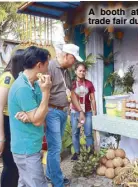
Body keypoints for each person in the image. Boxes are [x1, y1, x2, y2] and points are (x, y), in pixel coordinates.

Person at [8, 46, 51, 187]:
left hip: (31, 146)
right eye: (47, 64)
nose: (47, 69)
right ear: (39, 65)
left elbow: (43, 113)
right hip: (26, 149)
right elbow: (38, 120)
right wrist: (46, 93)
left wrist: (31, 116)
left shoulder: (34, 85)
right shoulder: (23, 88)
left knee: (25, 183)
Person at [45, 44, 85, 187]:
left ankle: (50, 175)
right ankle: (57, 181)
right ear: (66, 55)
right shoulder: (50, 67)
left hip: (62, 112)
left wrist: (80, 110)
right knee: (55, 148)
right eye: (73, 58)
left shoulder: (66, 71)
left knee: (55, 146)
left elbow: (71, 93)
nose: (74, 62)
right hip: (52, 112)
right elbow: (42, 91)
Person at [0, 49, 25, 187]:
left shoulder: (14, 76)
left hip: (9, 122)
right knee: (10, 165)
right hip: (4, 122)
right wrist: (1, 139)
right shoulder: (9, 78)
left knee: (14, 164)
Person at [70, 63, 97, 161]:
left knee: (88, 133)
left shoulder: (89, 84)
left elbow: (93, 99)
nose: (82, 72)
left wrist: (95, 111)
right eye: (80, 70)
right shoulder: (72, 84)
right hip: (75, 112)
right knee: (75, 133)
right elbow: (69, 97)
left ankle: (90, 152)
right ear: (75, 71)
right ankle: (77, 153)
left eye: (83, 71)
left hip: (88, 112)